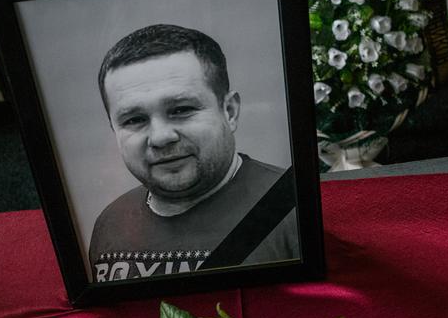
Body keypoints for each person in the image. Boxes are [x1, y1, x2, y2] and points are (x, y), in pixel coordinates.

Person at [88, 24, 299, 282]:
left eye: (181, 109)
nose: (161, 137)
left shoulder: (294, 208)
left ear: (229, 111)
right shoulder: (110, 223)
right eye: (134, 120)